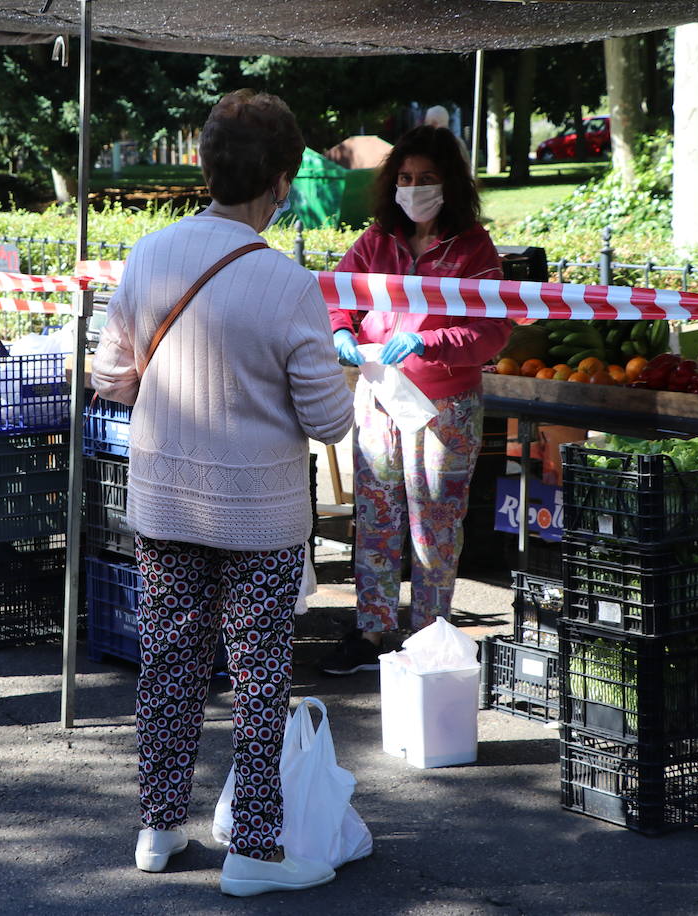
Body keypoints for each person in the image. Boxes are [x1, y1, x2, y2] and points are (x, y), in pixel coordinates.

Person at [92, 89, 353, 897]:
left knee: (168, 664)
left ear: (205, 166)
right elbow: (330, 420)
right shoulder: (290, 286)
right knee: (260, 674)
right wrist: (341, 364)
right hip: (265, 517)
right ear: (280, 180)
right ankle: (254, 851)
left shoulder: (148, 256)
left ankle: (158, 827)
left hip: (166, 502)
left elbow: (109, 379)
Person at [318, 125, 511, 677]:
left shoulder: (473, 248)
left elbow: (492, 334)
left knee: (436, 525)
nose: (413, 188)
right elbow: (337, 293)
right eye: (404, 178)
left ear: (450, 183)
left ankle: (430, 639)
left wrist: (429, 341)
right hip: (380, 398)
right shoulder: (377, 240)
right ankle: (372, 632)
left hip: (444, 408)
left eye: (426, 179)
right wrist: (341, 330)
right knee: (376, 518)